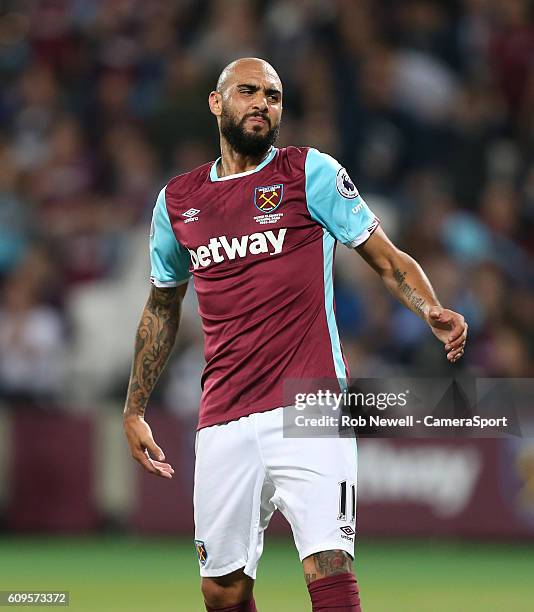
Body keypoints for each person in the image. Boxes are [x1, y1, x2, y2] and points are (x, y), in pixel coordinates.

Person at [123, 58, 468, 612]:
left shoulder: (309, 173)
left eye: (275, 95)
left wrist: (430, 307)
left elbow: (385, 257)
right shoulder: (176, 203)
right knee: (222, 589)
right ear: (217, 104)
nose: (263, 103)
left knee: (329, 566)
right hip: (222, 415)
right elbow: (163, 305)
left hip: (310, 406)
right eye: (249, 91)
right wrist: (135, 408)